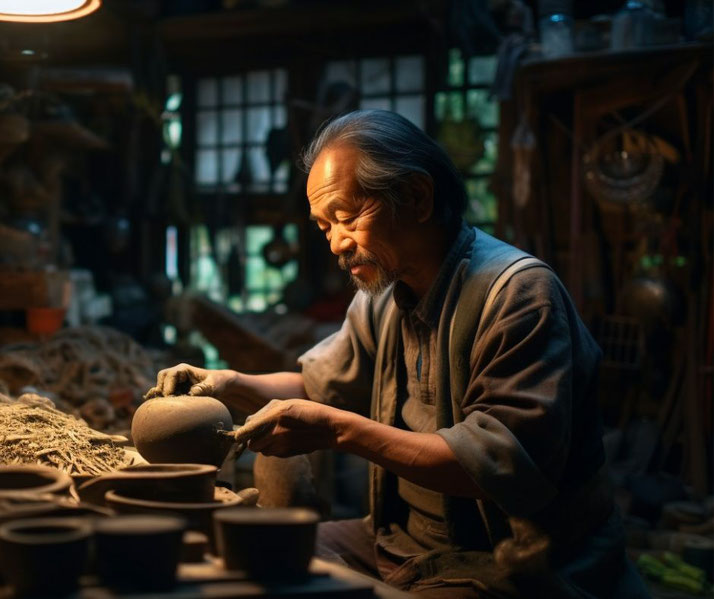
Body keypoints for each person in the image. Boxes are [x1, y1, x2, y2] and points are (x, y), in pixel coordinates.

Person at [146, 110, 649, 598]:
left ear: (416, 196)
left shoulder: (518, 295)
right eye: (325, 227)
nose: (337, 244)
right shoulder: (385, 293)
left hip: (515, 562)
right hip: (397, 540)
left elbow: (496, 466)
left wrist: (339, 430)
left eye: (346, 218)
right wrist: (229, 383)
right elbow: (319, 386)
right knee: (256, 557)